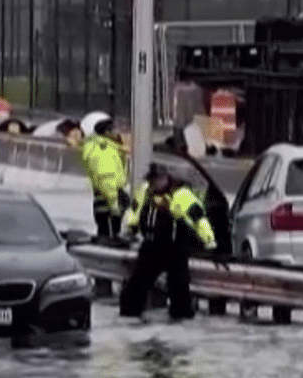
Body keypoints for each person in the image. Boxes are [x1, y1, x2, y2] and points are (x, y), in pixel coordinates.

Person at [118, 161, 220, 322]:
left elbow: (198, 219)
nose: (154, 183)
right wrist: (129, 229)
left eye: (157, 179)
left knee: (179, 289)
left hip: (174, 250)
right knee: (136, 286)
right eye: (152, 180)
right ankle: (130, 317)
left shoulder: (181, 195)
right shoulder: (145, 192)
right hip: (151, 248)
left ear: (166, 178)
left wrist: (209, 241)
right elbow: (134, 211)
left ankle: (181, 320)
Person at [80, 118, 130, 239]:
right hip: (110, 197)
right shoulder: (103, 151)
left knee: (106, 231)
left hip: (106, 196)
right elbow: (106, 177)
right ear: (107, 132)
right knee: (111, 234)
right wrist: (114, 203)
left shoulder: (107, 147)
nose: (119, 133)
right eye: (115, 130)